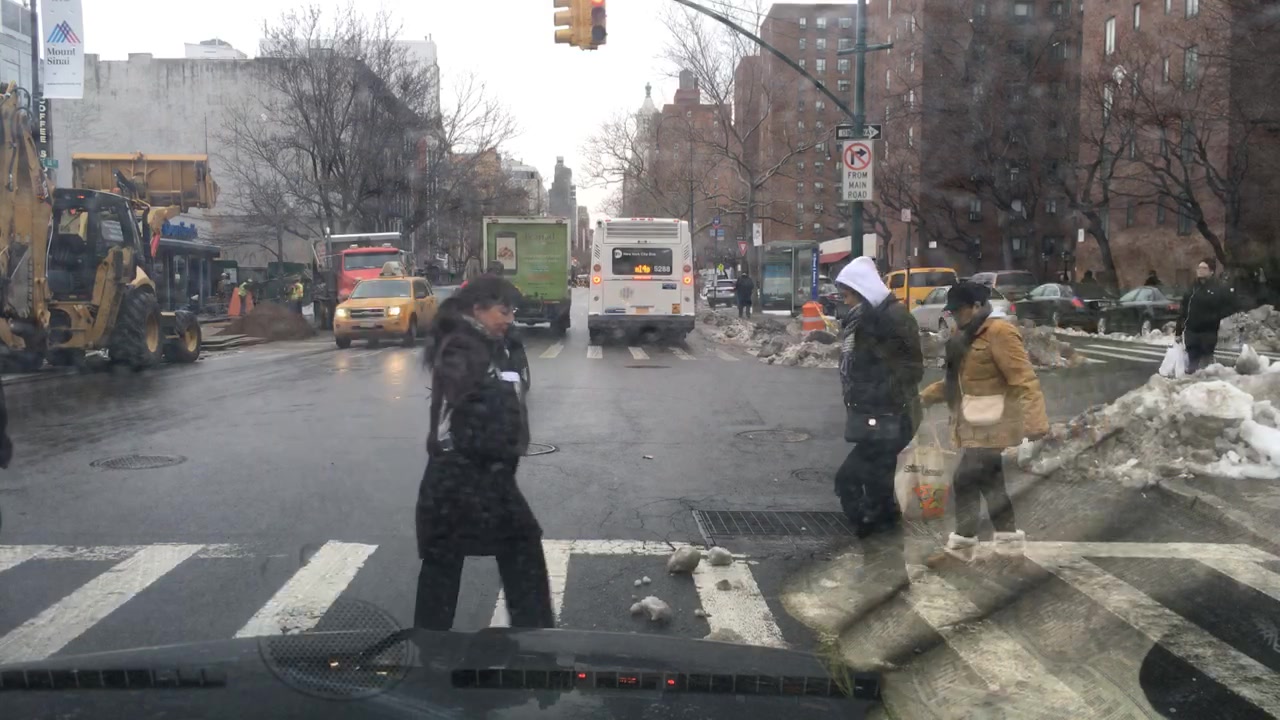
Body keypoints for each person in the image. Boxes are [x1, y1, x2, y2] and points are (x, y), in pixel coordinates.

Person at [415, 276, 553, 631]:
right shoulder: (462, 347)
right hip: (467, 474)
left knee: (446, 559)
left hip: (472, 473)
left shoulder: (486, 344)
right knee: (518, 548)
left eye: (512, 312)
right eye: (503, 311)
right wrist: (499, 445)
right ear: (478, 309)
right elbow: (471, 406)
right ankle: (535, 642)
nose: (510, 319)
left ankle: (429, 644)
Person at [920, 282, 1048, 561]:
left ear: (977, 306)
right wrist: (926, 396)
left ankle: (963, 549)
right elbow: (958, 382)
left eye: (958, 310)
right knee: (991, 486)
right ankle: (1008, 550)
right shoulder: (964, 336)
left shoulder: (1000, 333)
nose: (954, 316)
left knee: (965, 479)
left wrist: (1035, 423)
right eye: (952, 311)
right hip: (973, 423)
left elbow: (1024, 379)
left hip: (995, 423)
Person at [833, 256, 924, 578]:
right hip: (876, 417)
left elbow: (912, 369)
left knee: (857, 483)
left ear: (862, 290)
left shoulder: (894, 318)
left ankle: (883, 560)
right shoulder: (867, 318)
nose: (845, 302)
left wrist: (874, 393)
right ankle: (883, 562)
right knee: (875, 488)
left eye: (848, 295)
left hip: (892, 418)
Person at [1177, 258, 1233, 374]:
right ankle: (1192, 381)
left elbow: (1228, 306)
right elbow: (1183, 309)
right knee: (1192, 366)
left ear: (1211, 271)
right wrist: (1178, 330)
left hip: (1208, 333)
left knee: (1205, 368)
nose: (1200, 270)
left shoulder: (1218, 288)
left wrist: (1215, 317)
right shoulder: (1192, 288)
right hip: (1191, 332)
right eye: (1199, 268)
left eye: (1204, 268)